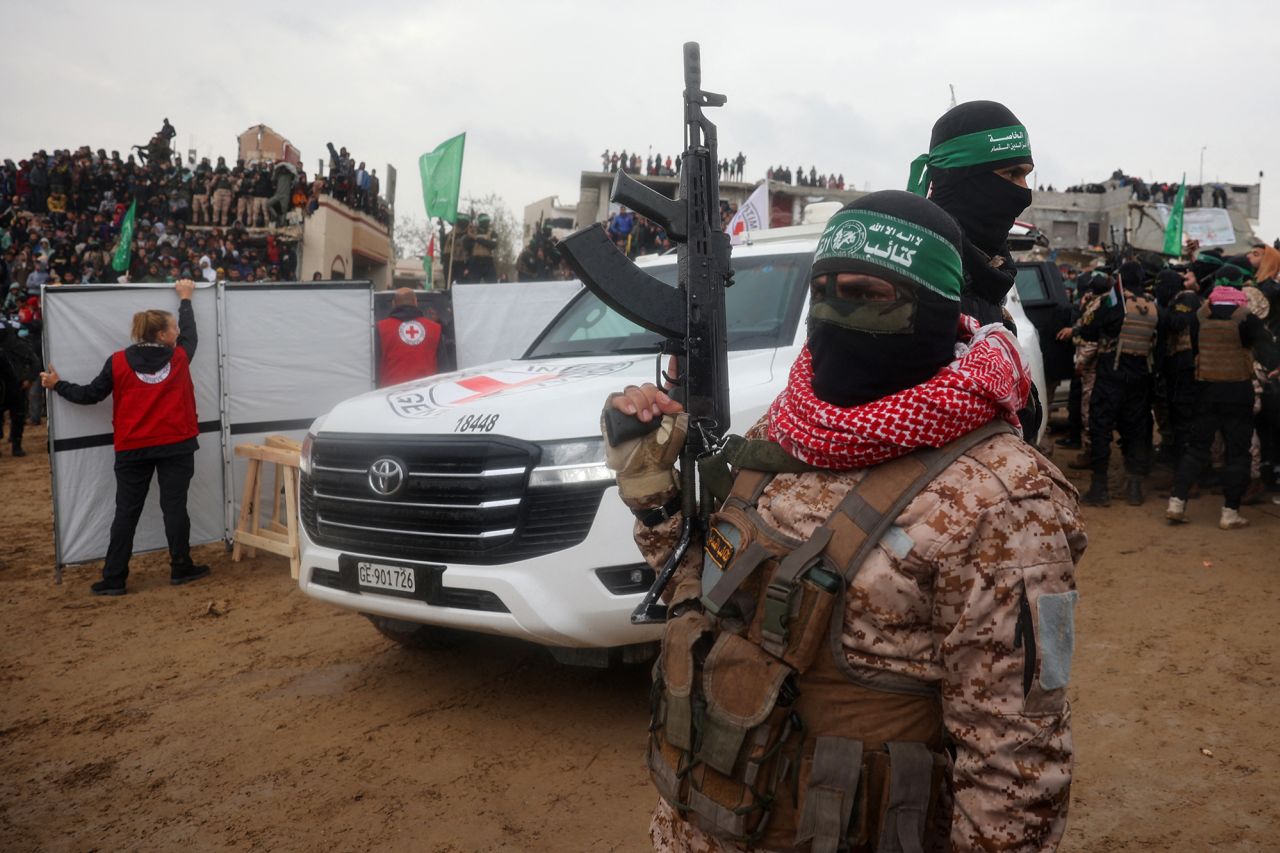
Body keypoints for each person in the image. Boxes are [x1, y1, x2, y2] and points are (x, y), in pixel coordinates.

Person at [608, 191, 1084, 852]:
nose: (836, 311)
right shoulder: (787, 425)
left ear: (934, 312)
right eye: (824, 290)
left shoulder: (1002, 497)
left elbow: (1018, 769)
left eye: (865, 292)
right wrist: (654, 498)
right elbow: (710, 595)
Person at [39, 279, 211, 595]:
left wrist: (57, 385)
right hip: (176, 444)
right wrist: (185, 299)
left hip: (133, 448)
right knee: (175, 507)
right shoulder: (180, 358)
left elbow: (91, 394)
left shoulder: (118, 361)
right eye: (172, 329)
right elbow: (191, 335)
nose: (177, 333)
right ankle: (181, 567)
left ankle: (114, 578)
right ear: (161, 335)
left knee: (126, 513)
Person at [908, 100, 1042, 438]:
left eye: (1026, 174)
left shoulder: (987, 275)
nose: (1024, 192)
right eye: (1012, 174)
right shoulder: (919, 286)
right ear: (964, 179)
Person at [1167, 281, 1279, 529]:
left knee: (1197, 449)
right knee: (1238, 454)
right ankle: (1230, 512)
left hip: (1205, 391)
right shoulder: (1246, 319)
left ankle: (1176, 502)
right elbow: (1269, 352)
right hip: (1238, 393)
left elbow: (1197, 350)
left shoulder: (1200, 317)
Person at [1078, 261, 1159, 506]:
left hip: (1111, 376)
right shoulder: (1152, 306)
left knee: (1101, 428)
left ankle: (1099, 487)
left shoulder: (1113, 304)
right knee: (1135, 431)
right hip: (1140, 378)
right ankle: (1134, 487)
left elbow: (1089, 332)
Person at [375, 288, 441, 387]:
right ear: (415, 302)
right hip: (427, 392)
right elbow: (445, 369)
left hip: (390, 393)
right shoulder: (435, 328)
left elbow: (374, 365)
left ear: (393, 304)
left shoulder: (380, 328)